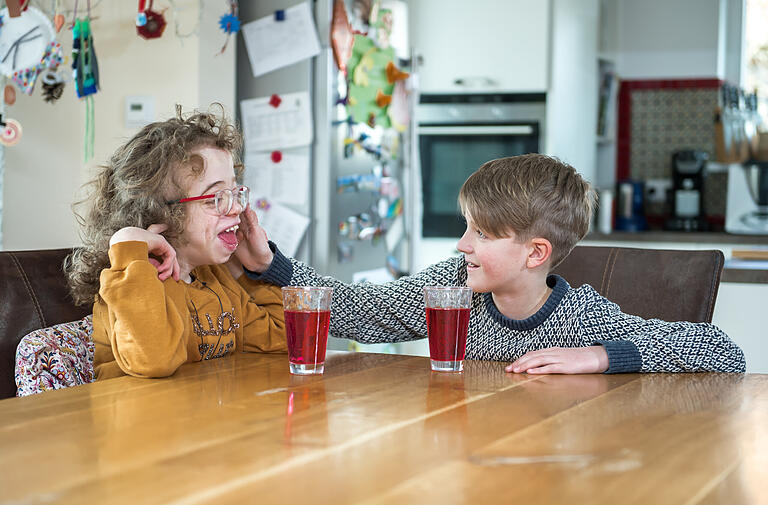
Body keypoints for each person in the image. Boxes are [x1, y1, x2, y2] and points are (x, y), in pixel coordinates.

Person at [240, 154, 746, 374]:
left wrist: (600, 356)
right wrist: (274, 266)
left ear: (535, 254)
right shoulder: (453, 286)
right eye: (466, 228)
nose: (462, 245)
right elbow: (368, 312)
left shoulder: (585, 319)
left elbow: (722, 352)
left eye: (481, 233)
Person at [65, 105, 286, 380]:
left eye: (234, 191)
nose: (236, 209)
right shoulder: (135, 280)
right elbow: (155, 361)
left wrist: (255, 268)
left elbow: (281, 339)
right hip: (144, 420)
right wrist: (128, 242)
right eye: (215, 198)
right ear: (161, 211)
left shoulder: (219, 280)